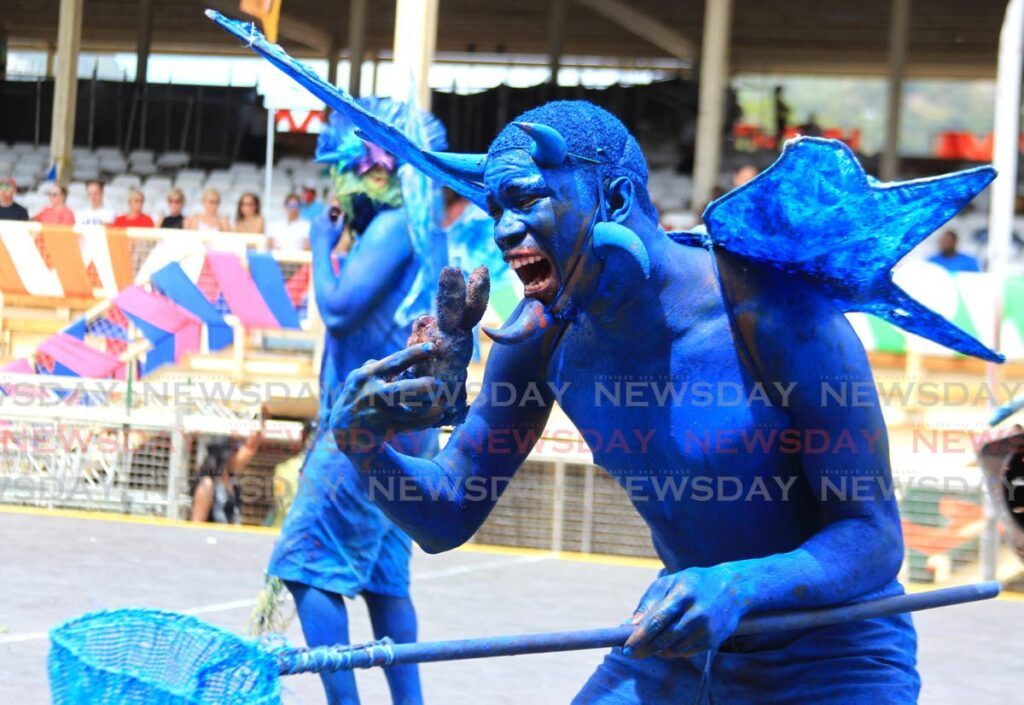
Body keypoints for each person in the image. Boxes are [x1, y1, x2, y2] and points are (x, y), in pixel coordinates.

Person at [316, 99, 1004, 705]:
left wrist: (736, 586)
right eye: (496, 207)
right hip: (680, 651)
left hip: (832, 658)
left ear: (614, 199)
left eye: (526, 198)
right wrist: (362, 444)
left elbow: (872, 540)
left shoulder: (775, 317)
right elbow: (447, 513)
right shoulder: (539, 338)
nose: (502, 229)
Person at [264, 98, 448, 705]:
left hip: (368, 428)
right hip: (405, 430)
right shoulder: (423, 230)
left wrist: (321, 242)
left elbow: (340, 310)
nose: (334, 184)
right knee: (382, 581)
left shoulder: (398, 228)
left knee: (305, 564)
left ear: (376, 170)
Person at [190, 422, 262, 524]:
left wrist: (260, 423)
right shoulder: (208, 483)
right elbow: (197, 523)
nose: (241, 455)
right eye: (237, 452)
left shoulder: (231, 480)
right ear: (226, 456)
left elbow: (250, 449)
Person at [774, 84, 791, 149]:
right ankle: (777, 146)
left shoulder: (778, 99)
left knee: (780, 133)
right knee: (779, 133)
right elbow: (785, 108)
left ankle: (778, 146)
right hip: (780, 119)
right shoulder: (777, 100)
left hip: (781, 119)